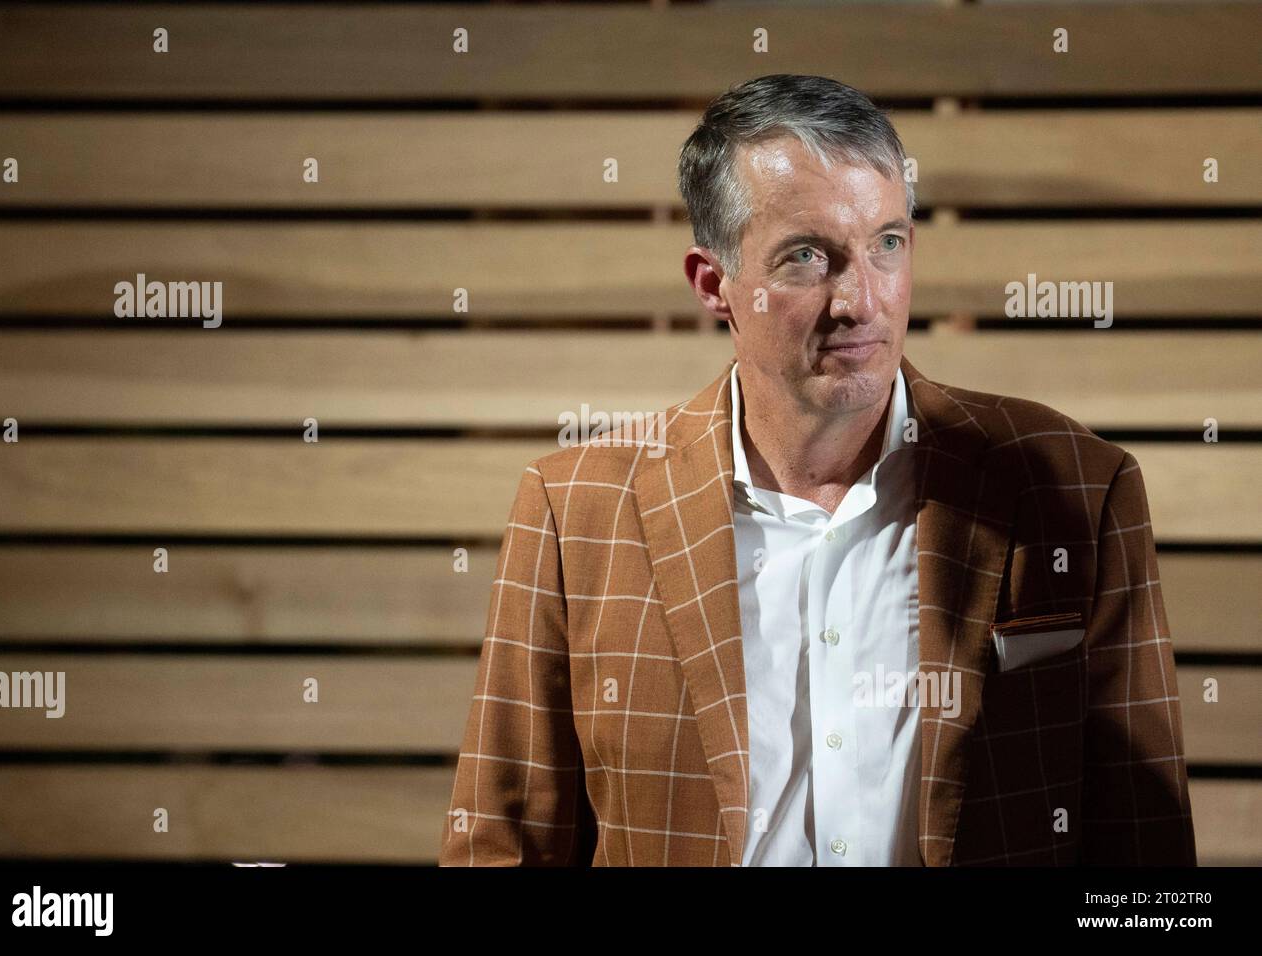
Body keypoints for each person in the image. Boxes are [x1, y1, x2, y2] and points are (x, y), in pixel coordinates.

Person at [439, 74, 1196, 866]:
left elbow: (1145, 856)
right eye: (808, 258)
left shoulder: (1072, 484)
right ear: (715, 285)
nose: (861, 300)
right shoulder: (574, 510)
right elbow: (501, 843)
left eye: (887, 244)